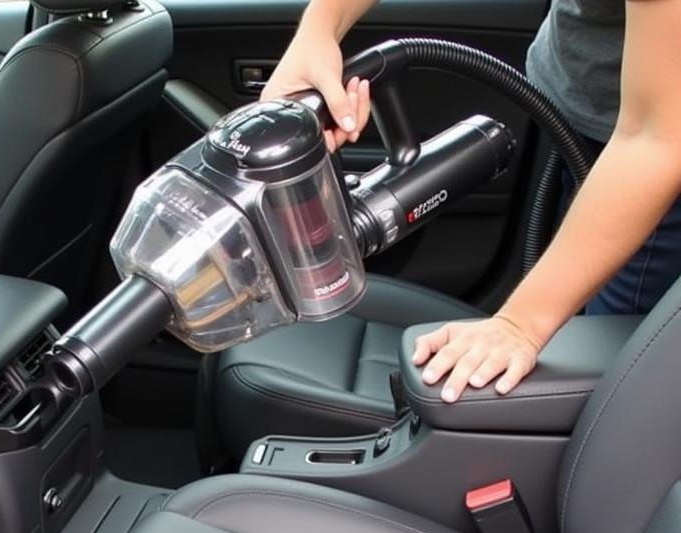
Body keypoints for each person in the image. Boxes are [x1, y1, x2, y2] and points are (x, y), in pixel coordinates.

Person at [262, 0, 681, 401]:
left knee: (613, 368)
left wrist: (520, 325)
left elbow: (657, 139)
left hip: (646, 167)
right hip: (585, 110)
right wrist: (319, 29)